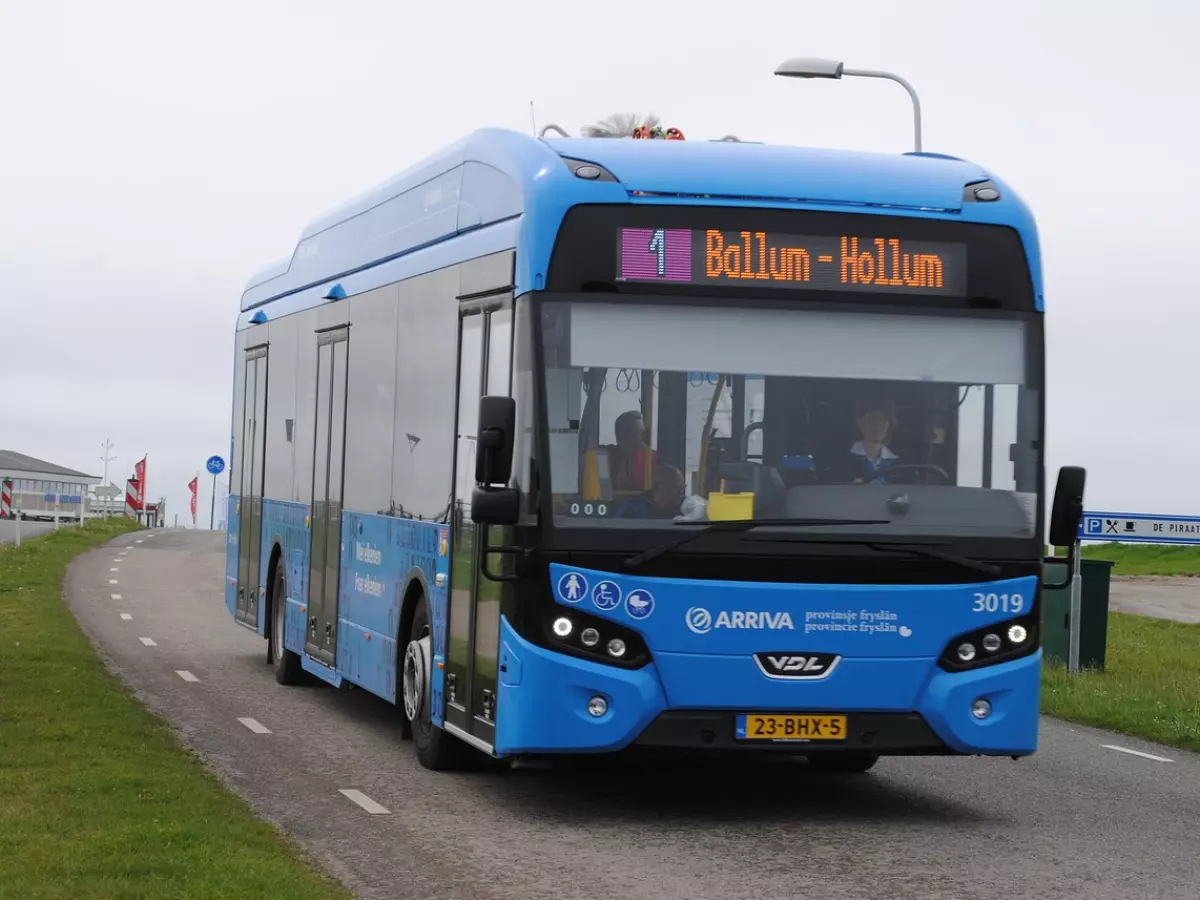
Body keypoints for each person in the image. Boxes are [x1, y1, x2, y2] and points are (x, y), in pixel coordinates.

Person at [843, 398, 901, 483]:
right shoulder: (842, 460)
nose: (877, 425)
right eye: (872, 419)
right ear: (858, 422)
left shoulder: (899, 465)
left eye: (883, 420)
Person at [612, 465, 685, 519]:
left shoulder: (685, 507)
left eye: (683, 487)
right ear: (659, 487)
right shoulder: (631, 509)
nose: (681, 492)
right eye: (677, 487)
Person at [610, 410, 658, 491]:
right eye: (638, 432)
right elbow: (603, 493)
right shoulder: (605, 457)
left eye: (643, 432)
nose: (643, 437)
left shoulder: (653, 458)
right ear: (621, 435)